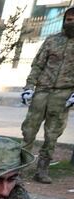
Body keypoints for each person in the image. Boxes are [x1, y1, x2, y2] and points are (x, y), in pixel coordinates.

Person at [20, 5, 74, 184]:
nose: (70, 23)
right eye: (68, 20)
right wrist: (29, 87)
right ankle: (20, 168)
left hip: (63, 95)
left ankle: (42, 170)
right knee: (29, 130)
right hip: (42, 91)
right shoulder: (51, 41)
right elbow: (37, 65)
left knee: (52, 135)